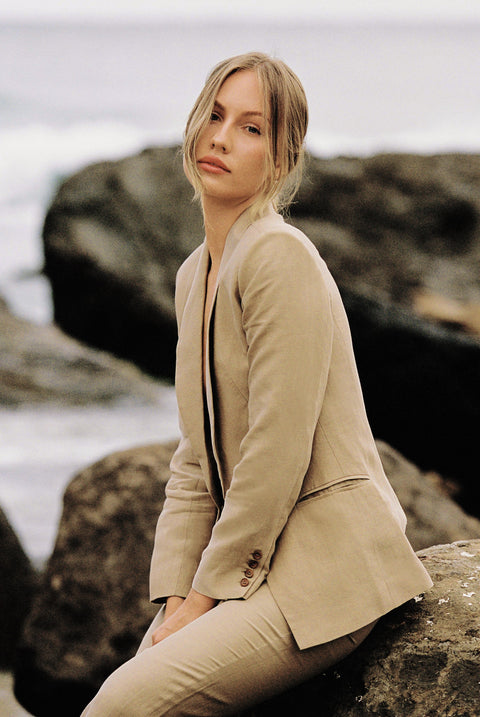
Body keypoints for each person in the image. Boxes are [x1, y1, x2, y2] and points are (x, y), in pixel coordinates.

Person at [81, 51, 432, 716]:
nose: (219, 137)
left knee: (121, 706)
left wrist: (209, 598)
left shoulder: (279, 255)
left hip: (322, 574)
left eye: (250, 127)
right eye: (214, 115)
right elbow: (193, 462)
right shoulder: (195, 276)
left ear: (282, 159)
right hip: (256, 570)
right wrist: (176, 600)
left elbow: (276, 449)